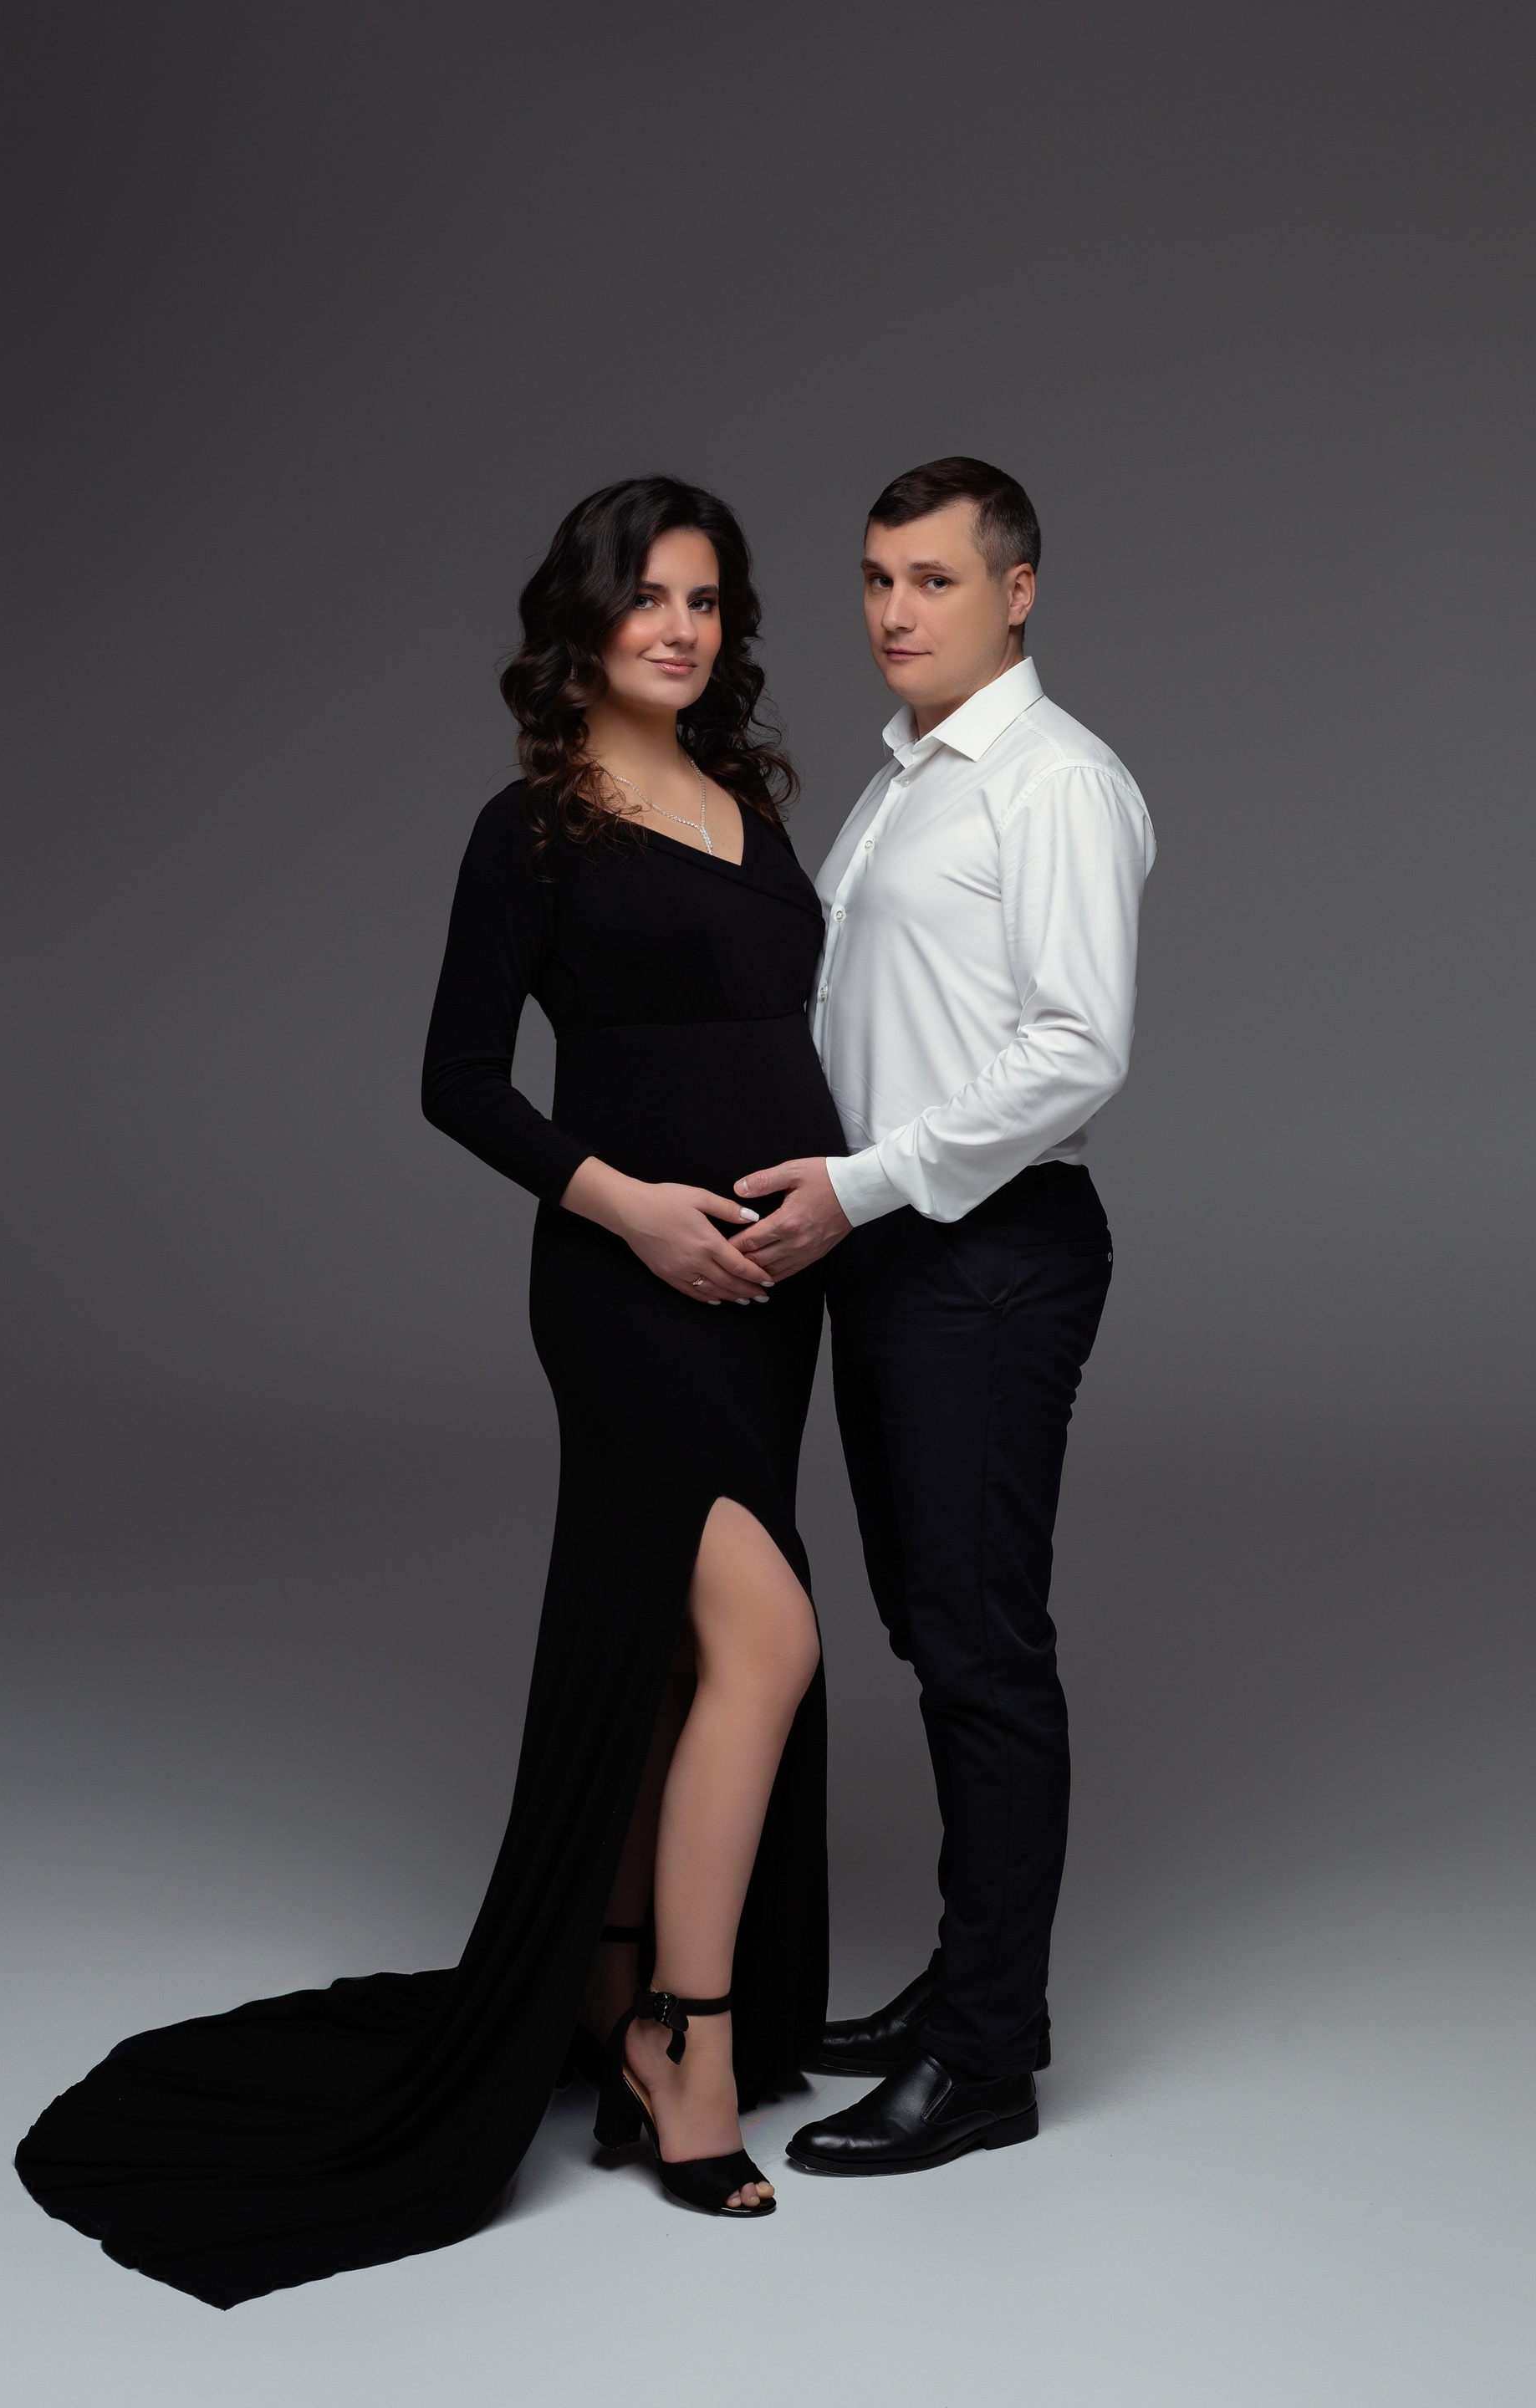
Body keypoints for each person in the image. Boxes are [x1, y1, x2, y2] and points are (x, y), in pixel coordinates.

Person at [13, 477, 845, 2303]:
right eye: (650, 597)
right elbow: (458, 1078)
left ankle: (613, 1985)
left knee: (678, 1654)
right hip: (628, 1288)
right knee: (769, 1640)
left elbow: (785, 1036)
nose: (683, 628)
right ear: (586, 620)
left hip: (765, 1299)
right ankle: (682, 2045)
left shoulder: (752, 802)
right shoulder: (530, 826)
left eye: (709, 600)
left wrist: (831, 1202)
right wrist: (634, 1210)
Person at [731, 457, 1154, 2176]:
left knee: (980, 1644)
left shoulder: (1054, 783)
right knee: (931, 1624)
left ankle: (984, 2061)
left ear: (1019, 591)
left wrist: (864, 1182)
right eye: (875, 578)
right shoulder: (907, 776)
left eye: (934, 579)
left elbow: (1079, 1050)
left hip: (986, 1256)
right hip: (892, 1247)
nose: (895, 611)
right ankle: (968, 1993)